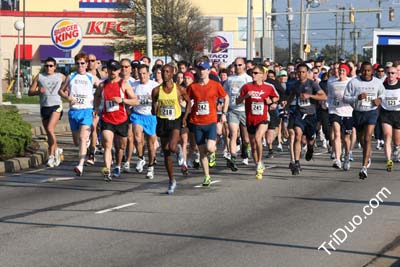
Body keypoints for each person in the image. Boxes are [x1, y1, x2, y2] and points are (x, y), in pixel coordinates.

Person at [93, 60, 139, 180]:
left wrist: (122, 100)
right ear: (106, 70)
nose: (112, 72)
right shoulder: (102, 85)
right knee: (107, 143)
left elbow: (135, 100)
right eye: (110, 69)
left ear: (119, 70)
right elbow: (97, 96)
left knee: (121, 146)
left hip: (122, 120)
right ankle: (107, 170)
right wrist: (96, 108)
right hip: (107, 119)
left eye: (115, 69)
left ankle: (118, 165)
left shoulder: (123, 84)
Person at [187, 61, 229, 186]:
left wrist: (224, 113)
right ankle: (206, 176)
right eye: (199, 69)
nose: (201, 71)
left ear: (209, 71)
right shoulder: (193, 87)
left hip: (211, 121)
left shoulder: (215, 85)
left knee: (210, 148)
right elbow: (186, 101)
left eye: (204, 69)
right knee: (201, 152)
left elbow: (226, 97)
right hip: (197, 122)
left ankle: (212, 153)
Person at [59, 53, 101, 176]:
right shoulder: (71, 76)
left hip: (87, 111)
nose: (80, 65)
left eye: (82, 63)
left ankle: (80, 165)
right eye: (78, 63)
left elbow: (102, 87)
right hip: (74, 112)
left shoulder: (91, 77)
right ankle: (85, 147)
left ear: (87, 64)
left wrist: (96, 104)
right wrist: (68, 97)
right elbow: (61, 91)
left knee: (83, 138)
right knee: (77, 141)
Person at [152, 64, 191, 194]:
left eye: (167, 72)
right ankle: (171, 180)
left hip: (175, 120)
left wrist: (185, 118)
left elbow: (189, 102)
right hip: (162, 121)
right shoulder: (156, 90)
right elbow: (154, 105)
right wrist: (154, 109)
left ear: (172, 73)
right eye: (163, 72)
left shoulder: (178, 88)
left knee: (172, 147)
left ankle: (179, 149)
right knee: (166, 153)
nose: (164, 74)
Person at [343, 62, 385, 179]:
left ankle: (364, 168)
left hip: (371, 112)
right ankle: (368, 156)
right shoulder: (354, 82)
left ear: (372, 71)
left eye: (368, 70)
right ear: (360, 70)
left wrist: (379, 100)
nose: (366, 73)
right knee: (361, 139)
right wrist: (357, 98)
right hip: (358, 113)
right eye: (364, 70)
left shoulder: (377, 82)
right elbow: (345, 98)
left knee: (367, 138)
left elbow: (383, 94)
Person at [237, 65, 279, 180]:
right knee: (253, 145)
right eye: (252, 73)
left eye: (256, 73)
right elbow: (237, 101)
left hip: (263, 118)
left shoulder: (268, 87)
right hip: (250, 119)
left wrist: (270, 101)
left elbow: (276, 97)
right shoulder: (246, 87)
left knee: (257, 138)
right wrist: (245, 96)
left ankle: (260, 161)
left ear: (262, 75)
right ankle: (257, 164)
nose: (253, 75)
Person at [287, 63, 327, 175]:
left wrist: (310, 96)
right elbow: (291, 95)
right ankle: (296, 162)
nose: (300, 74)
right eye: (298, 72)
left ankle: (310, 148)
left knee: (309, 139)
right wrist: (286, 106)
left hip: (311, 115)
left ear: (307, 73)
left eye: (303, 72)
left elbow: (324, 96)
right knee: (297, 136)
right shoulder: (295, 85)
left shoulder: (312, 84)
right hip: (299, 114)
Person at [28, 57, 66, 167]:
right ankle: (56, 150)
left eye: (51, 66)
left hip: (56, 106)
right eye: (46, 65)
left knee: (50, 129)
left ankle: (52, 155)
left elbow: (69, 83)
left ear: (55, 67)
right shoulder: (39, 77)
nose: (48, 68)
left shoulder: (60, 76)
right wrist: (38, 91)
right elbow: (30, 92)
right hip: (44, 107)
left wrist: (67, 92)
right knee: (49, 133)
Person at [130, 64, 159, 179]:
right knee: (137, 137)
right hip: (138, 115)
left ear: (149, 74)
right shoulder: (134, 85)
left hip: (151, 117)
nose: (142, 76)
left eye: (144, 74)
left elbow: (161, 100)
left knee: (151, 144)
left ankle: (151, 167)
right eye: (140, 74)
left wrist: (153, 99)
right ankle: (141, 157)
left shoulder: (155, 86)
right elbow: (131, 99)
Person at [224, 57, 252, 171]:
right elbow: (225, 94)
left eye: (240, 65)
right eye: (235, 65)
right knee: (233, 134)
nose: (237, 67)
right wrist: (222, 104)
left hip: (245, 110)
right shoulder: (229, 80)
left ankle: (245, 149)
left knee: (246, 139)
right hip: (233, 110)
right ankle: (233, 158)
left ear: (244, 66)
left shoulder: (248, 79)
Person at [327, 63, 353, 170]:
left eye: (343, 70)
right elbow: (330, 95)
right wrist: (328, 105)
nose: (341, 72)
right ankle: (337, 159)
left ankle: (347, 157)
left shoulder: (351, 82)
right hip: (335, 111)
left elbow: (354, 96)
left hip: (348, 112)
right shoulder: (331, 82)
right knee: (337, 134)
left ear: (347, 72)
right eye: (340, 70)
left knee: (346, 138)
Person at [86, 54, 104, 166]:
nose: (90, 63)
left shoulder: (101, 75)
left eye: (93, 60)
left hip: (97, 106)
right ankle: (90, 148)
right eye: (88, 60)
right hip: (85, 106)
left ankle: (91, 154)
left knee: (93, 127)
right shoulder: (82, 74)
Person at [381, 66, 400, 171]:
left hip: (398, 114)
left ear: (397, 75)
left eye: (393, 73)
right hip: (386, 114)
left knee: (397, 141)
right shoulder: (382, 86)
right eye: (388, 73)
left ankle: (397, 149)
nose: (390, 75)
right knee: (387, 136)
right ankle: (389, 161)